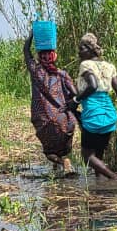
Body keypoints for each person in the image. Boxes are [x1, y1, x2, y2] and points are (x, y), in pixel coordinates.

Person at [73, 33, 117, 179]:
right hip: (109, 116)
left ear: (90, 50)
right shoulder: (109, 66)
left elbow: (93, 86)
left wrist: (75, 100)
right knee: (99, 156)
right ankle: (100, 188)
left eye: (82, 48)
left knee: (87, 156)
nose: (79, 52)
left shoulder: (86, 65)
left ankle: (114, 177)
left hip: (93, 115)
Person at [23, 31, 79, 174]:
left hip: (45, 120)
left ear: (40, 58)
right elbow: (76, 94)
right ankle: (60, 168)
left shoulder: (36, 72)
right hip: (65, 120)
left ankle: (62, 163)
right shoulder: (63, 74)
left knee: (49, 152)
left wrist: (32, 35)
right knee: (61, 148)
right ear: (54, 57)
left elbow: (26, 51)